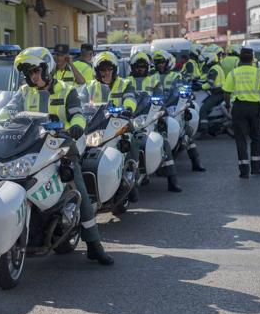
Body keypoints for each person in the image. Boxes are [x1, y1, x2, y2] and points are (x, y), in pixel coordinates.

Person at [2, 47, 114, 265]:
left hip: (61, 148)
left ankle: (94, 244)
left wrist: (75, 128)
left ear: (47, 69)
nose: (33, 76)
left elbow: (78, 115)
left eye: (36, 71)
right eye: (29, 72)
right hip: (31, 150)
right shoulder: (24, 92)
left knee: (77, 186)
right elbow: (5, 114)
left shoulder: (66, 90)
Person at [84, 51, 140, 202]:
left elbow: (130, 99)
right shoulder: (90, 86)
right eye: (103, 70)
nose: (106, 73)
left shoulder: (124, 83)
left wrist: (128, 108)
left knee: (129, 141)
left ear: (114, 70)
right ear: (97, 71)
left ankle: (132, 179)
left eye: (109, 69)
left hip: (120, 122)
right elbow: (81, 101)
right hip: (96, 125)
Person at [127, 51, 183, 192]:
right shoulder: (125, 82)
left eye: (143, 66)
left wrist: (161, 110)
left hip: (150, 117)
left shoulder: (154, 81)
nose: (140, 69)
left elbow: (159, 99)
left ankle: (173, 180)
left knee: (164, 142)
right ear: (132, 67)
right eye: (137, 66)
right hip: (131, 118)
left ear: (147, 67)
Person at [223, 48, 260, 178]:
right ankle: (256, 168)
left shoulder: (233, 73)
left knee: (240, 139)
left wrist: (229, 105)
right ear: (252, 59)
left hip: (239, 108)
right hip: (254, 109)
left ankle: (244, 170)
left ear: (239, 59)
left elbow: (226, 92)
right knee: (256, 138)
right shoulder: (259, 73)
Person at [152, 49, 206, 172]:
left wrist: (187, 96)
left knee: (186, 131)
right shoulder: (152, 77)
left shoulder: (177, 75)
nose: (160, 65)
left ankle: (196, 161)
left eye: (162, 62)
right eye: (157, 62)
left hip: (173, 107)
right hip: (157, 108)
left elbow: (183, 89)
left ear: (168, 62)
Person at [198, 51, 225, 138]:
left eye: (206, 60)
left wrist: (201, 87)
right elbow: (206, 78)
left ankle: (204, 132)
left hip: (218, 93)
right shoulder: (216, 67)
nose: (205, 62)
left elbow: (210, 83)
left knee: (203, 109)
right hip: (220, 92)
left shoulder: (214, 69)